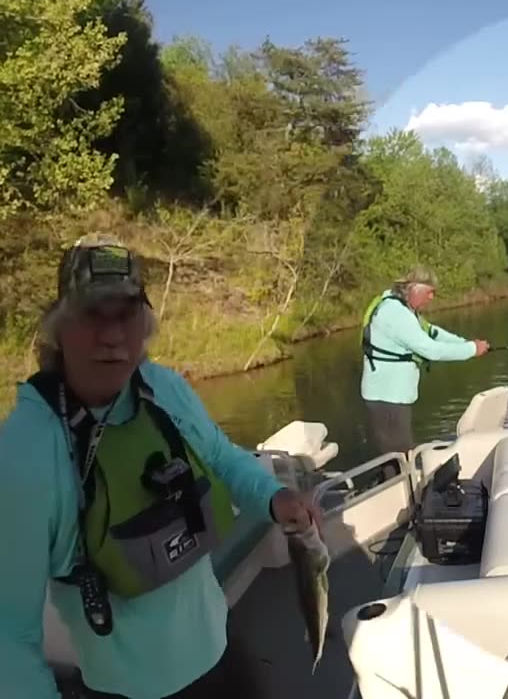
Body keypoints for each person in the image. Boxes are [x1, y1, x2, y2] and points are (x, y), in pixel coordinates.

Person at [0, 234, 322, 699]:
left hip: (220, 647)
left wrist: (274, 499)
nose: (111, 335)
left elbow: (220, 456)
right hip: (130, 690)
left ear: (145, 325)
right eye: (92, 313)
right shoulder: (27, 451)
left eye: (126, 314)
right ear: (58, 328)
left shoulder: (162, 387)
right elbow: (10, 636)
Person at [360, 266, 489, 457]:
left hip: (394, 395)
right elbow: (431, 350)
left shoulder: (403, 309)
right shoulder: (395, 314)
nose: (431, 298)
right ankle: (398, 485)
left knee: (401, 453)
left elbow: (432, 332)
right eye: (429, 292)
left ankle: (403, 482)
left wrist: (465, 343)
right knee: (398, 456)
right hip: (386, 396)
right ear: (414, 289)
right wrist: (471, 350)